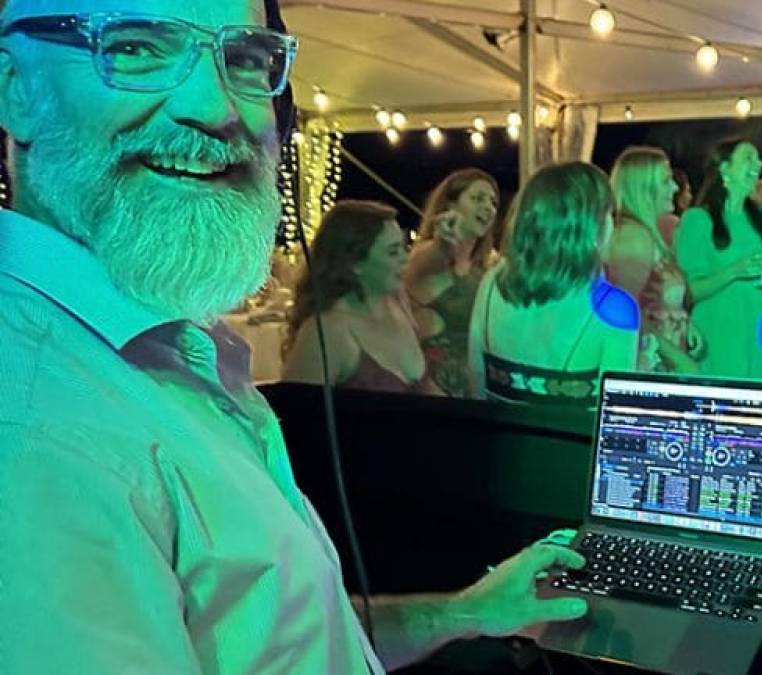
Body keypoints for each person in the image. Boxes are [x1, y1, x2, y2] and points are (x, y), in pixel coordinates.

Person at [0, 1, 588, 673]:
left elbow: (291, 639)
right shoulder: (33, 433)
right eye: (134, 47)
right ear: (15, 88)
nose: (212, 104)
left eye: (247, 60)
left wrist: (466, 611)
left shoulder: (167, 350)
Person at [468, 161, 639, 404]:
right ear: (590, 227)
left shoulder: (492, 282)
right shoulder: (614, 308)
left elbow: (476, 384)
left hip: (499, 440)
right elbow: (615, 418)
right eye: (610, 214)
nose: (614, 225)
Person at [283, 200, 439, 394]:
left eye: (403, 247)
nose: (405, 258)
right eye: (393, 252)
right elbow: (295, 414)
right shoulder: (326, 332)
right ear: (354, 263)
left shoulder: (398, 304)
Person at [674, 139, 762, 381]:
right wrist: (734, 271)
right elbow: (689, 292)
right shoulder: (697, 220)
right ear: (724, 168)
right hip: (720, 331)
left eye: (758, 159)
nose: (758, 164)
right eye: (748, 157)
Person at [405, 168, 500, 397]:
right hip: (429, 391)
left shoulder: (487, 268)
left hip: (473, 392)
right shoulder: (426, 256)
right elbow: (434, 255)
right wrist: (443, 242)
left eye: (493, 202)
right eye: (477, 199)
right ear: (450, 205)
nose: (488, 207)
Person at [608, 146, 700, 372]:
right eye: (667, 180)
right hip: (649, 363)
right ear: (643, 188)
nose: (675, 187)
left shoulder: (646, 233)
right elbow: (625, 311)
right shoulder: (633, 237)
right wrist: (677, 357)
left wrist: (685, 323)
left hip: (662, 356)